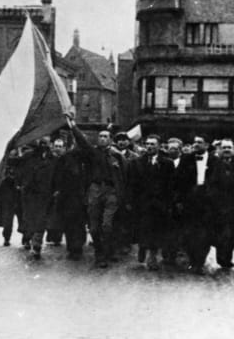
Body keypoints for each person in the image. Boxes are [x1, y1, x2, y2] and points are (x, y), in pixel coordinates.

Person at [67, 116, 126, 268]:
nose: (102, 139)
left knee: (107, 225)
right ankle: (99, 253)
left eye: (105, 136)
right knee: (93, 227)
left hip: (111, 191)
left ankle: (107, 252)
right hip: (95, 189)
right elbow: (82, 142)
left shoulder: (118, 156)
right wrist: (73, 126)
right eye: (100, 136)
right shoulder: (93, 153)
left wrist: (123, 197)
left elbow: (125, 177)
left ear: (111, 140)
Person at [127, 135, 174, 270]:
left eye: (153, 144)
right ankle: (143, 247)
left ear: (159, 146)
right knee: (143, 228)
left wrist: (168, 203)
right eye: (147, 144)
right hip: (142, 202)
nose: (149, 146)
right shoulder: (136, 163)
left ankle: (152, 256)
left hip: (159, 203)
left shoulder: (167, 163)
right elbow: (131, 184)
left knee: (156, 229)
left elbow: (170, 185)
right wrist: (130, 201)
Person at [175, 135, 218, 274]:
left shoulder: (215, 161)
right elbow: (179, 181)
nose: (196, 145)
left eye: (199, 142)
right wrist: (179, 200)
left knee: (204, 234)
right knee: (189, 232)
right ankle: (193, 260)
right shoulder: (186, 159)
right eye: (195, 142)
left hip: (207, 201)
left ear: (206, 145)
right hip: (190, 200)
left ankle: (199, 262)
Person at [50, 137, 88, 260]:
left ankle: (78, 246)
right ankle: (73, 247)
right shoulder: (65, 159)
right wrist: (57, 190)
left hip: (83, 196)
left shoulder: (88, 158)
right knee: (70, 223)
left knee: (80, 223)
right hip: (68, 196)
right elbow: (58, 176)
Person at [18, 136, 55, 260]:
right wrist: (20, 183)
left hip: (45, 194)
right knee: (29, 218)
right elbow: (18, 166)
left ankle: (37, 245)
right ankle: (28, 237)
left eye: (46, 143)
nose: (44, 145)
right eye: (42, 142)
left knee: (41, 220)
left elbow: (57, 175)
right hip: (29, 193)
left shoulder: (53, 159)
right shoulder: (28, 156)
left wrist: (56, 189)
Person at [207, 138, 234, 269]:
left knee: (230, 234)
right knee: (222, 234)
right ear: (220, 150)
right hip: (219, 206)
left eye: (229, 147)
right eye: (224, 148)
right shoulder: (214, 165)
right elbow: (211, 185)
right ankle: (222, 258)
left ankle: (226, 258)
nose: (227, 150)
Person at [0, 148, 22, 247]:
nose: (12, 157)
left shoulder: (20, 163)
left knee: (20, 217)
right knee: (8, 218)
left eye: (14, 154)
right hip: (7, 194)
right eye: (11, 154)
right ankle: (7, 237)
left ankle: (24, 236)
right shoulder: (3, 164)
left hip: (18, 193)